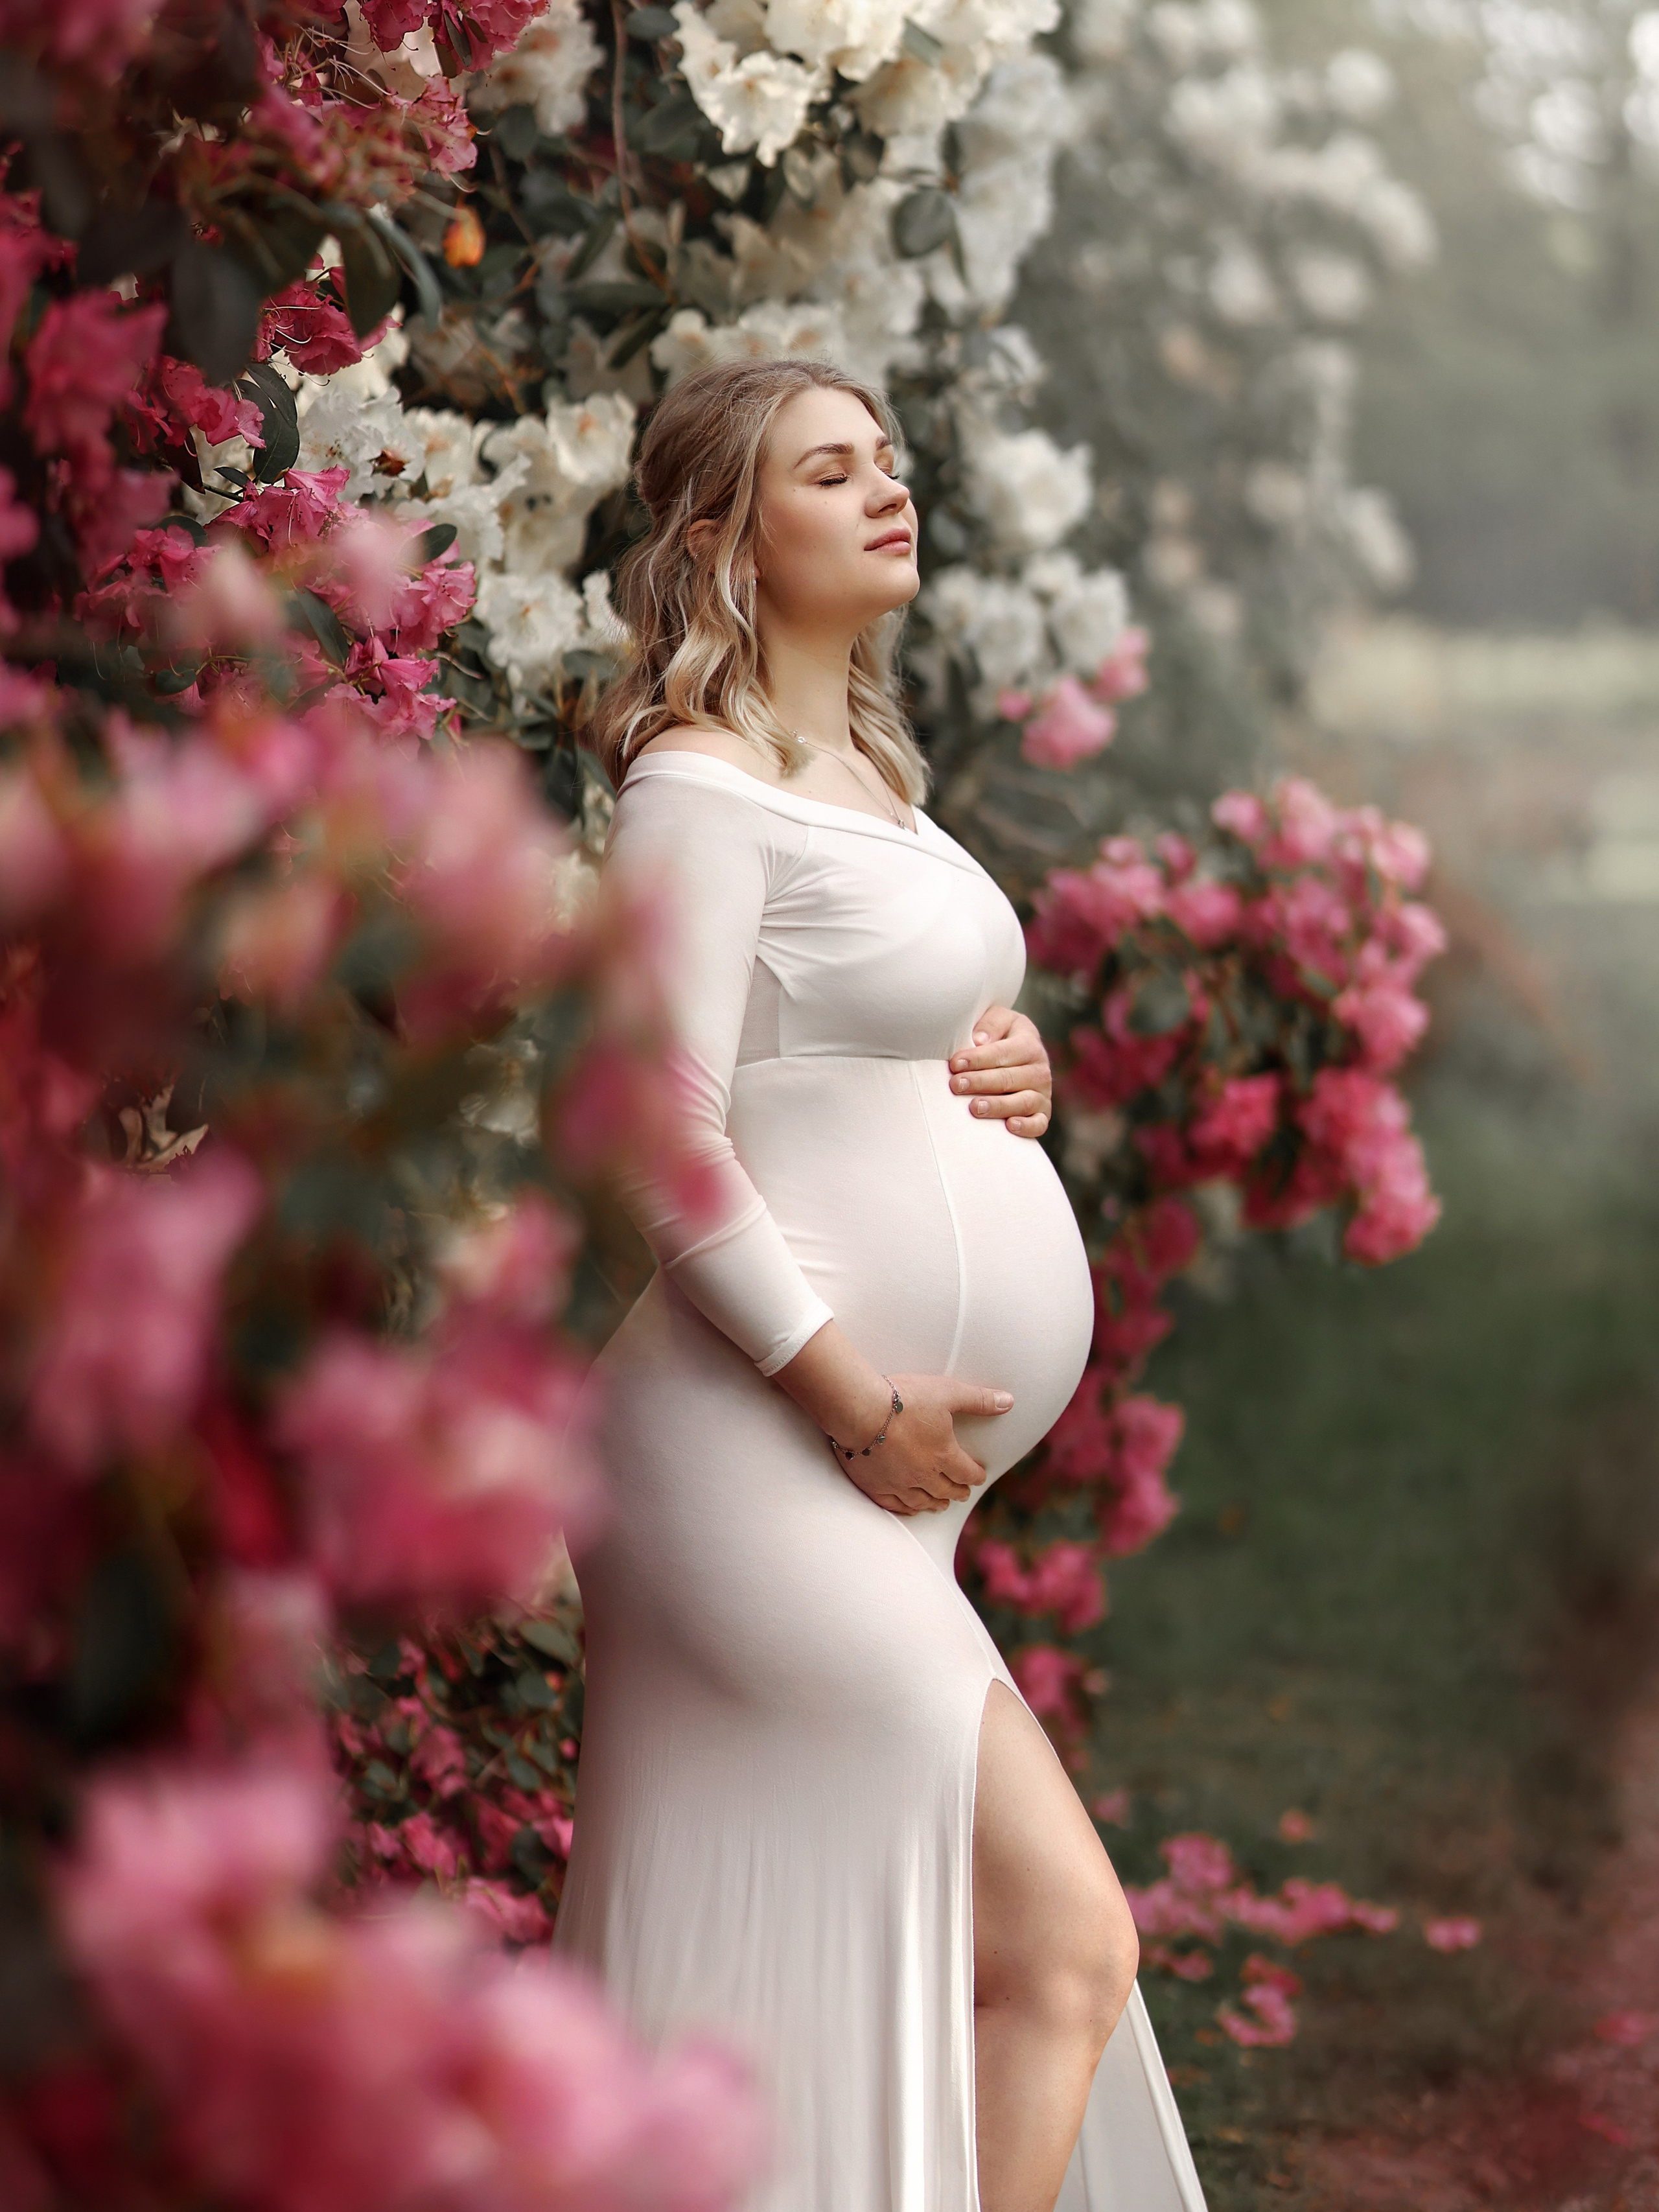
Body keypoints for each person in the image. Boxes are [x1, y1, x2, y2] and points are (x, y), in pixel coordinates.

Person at [555, 356, 1207, 2212]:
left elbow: (848, 1053)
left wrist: (1010, 1070)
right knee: (1066, 1944)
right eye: (826, 472)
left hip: (864, 1478)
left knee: (972, 1952)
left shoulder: (871, 783)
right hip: (768, 1454)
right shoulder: (699, 784)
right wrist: (850, 1399)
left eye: (887, 459)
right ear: (726, 544)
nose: (884, 487)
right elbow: (658, 1132)